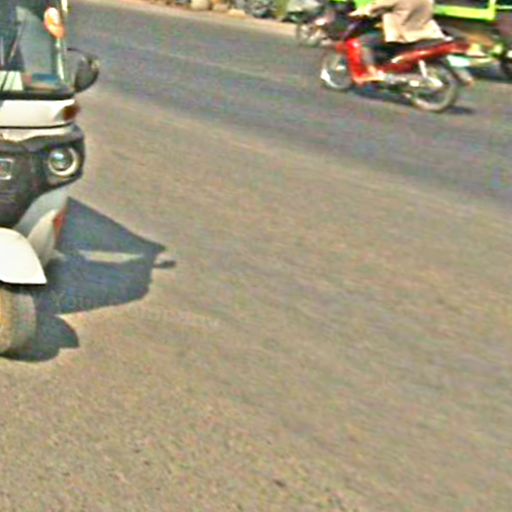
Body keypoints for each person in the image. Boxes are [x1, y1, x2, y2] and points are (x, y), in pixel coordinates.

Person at [349, 0, 445, 82]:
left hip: (403, 35)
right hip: (427, 33)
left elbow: (377, 6)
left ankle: (374, 74)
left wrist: (360, 12)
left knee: (364, 41)